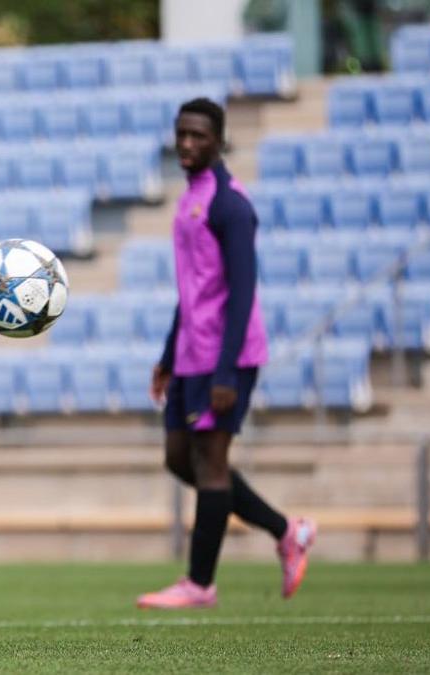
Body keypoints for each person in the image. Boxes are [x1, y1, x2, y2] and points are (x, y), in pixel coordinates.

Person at [136, 98, 315, 610]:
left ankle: (199, 584)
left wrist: (226, 371)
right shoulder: (189, 198)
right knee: (178, 458)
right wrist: (169, 355)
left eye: (199, 135)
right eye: (182, 135)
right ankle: (287, 529)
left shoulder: (231, 205)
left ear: (219, 139)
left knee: (212, 465)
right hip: (191, 352)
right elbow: (192, 289)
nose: (188, 144)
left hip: (226, 356)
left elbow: (241, 292)